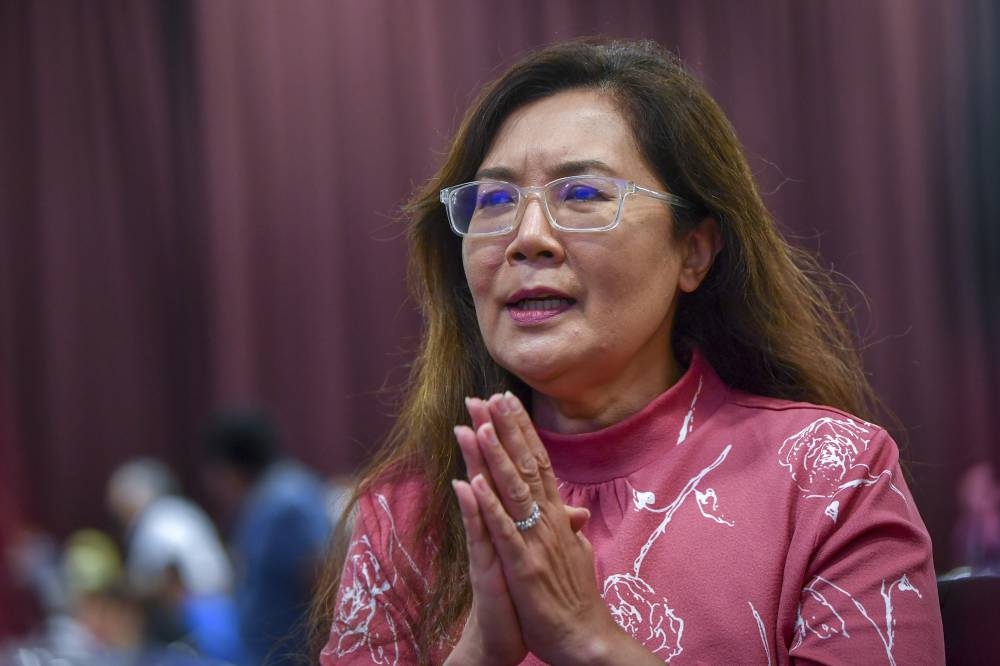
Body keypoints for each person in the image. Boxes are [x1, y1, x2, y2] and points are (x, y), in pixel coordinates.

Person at [313, 38, 944, 664]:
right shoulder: (403, 515)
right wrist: (478, 653)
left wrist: (591, 645)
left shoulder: (828, 477)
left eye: (583, 195)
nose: (528, 239)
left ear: (693, 251)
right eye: (496, 201)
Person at [205, 407, 332, 665]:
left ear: (229, 464)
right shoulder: (263, 497)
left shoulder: (286, 502)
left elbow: (320, 576)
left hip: (292, 655)